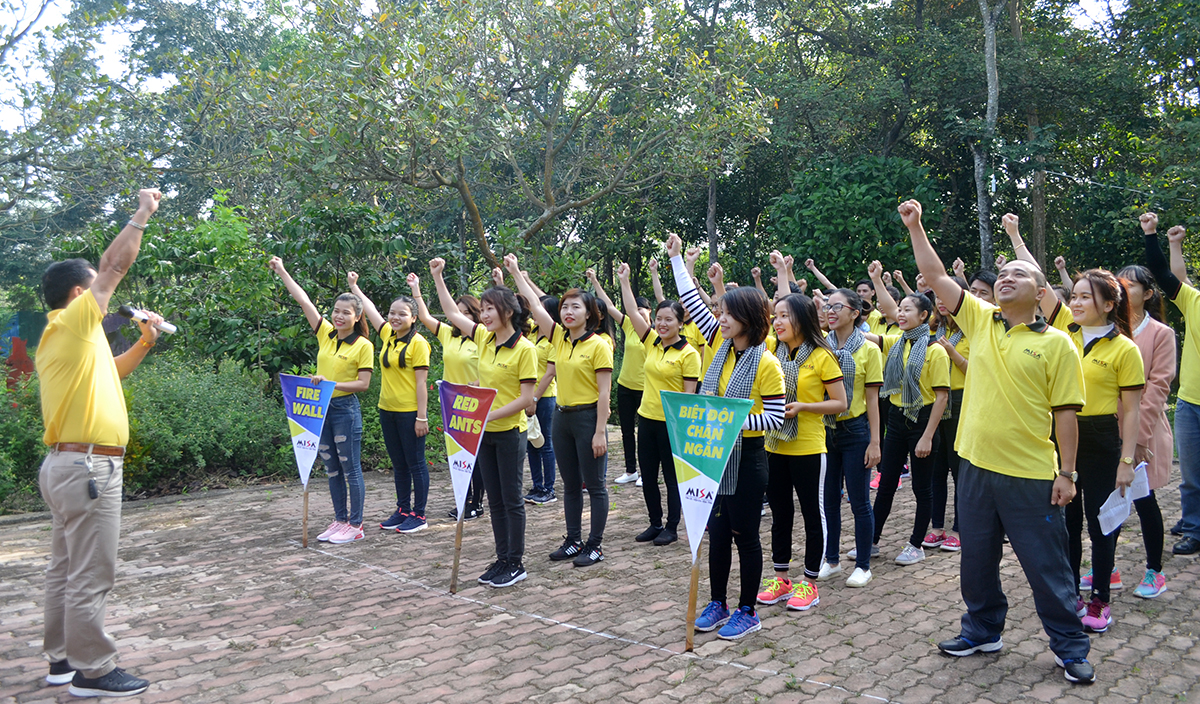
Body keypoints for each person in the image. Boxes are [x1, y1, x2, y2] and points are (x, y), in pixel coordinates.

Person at [902, 199, 1094, 684]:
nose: (1006, 277)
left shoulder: (1058, 344)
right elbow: (934, 274)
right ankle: (983, 630)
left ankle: (1070, 647)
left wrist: (1067, 474)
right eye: (1002, 273)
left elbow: (1066, 415)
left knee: (1047, 567)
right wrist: (916, 226)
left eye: (1018, 274)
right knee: (976, 561)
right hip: (975, 468)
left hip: (1030, 475)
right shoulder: (981, 319)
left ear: (1040, 293)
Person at [35, 188, 163, 697]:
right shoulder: (73, 322)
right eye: (94, 290)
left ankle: (62, 660)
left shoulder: (70, 338)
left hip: (68, 467)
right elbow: (113, 266)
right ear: (77, 295)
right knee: (91, 572)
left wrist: (146, 340)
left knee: (65, 569)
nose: (104, 297)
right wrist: (142, 213)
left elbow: (114, 371)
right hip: (88, 469)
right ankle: (93, 671)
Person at [667, 235, 785, 641]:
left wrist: (727, 422)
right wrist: (677, 259)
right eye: (721, 312)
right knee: (716, 535)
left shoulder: (766, 363)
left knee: (745, 537)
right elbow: (691, 299)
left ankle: (748, 610)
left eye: (729, 313)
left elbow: (774, 418)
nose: (720, 317)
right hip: (711, 456)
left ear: (749, 318)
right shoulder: (720, 345)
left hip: (747, 460)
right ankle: (718, 603)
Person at [431, 257, 537, 588]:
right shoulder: (483, 339)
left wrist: (488, 414)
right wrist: (437, 277)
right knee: (494, 499)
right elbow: (451, 313)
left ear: (507, 311)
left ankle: (516, 562)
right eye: (483, 309)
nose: (485, 315)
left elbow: (526, 399)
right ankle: (502, 557)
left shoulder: (525, 349)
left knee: (511, 499)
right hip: (484, 433)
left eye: (490, 308)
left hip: (510, 433)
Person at [756, 251, 848, 612]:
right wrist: (781, 271)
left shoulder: (822, 355)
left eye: (784, 316)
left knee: (812, 514)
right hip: (774, 444)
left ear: (802, 320)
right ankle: (781, 578)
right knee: (780, 513)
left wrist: (804, 407)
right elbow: (782, 300)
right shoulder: (772, 351)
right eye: (775, 316)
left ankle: (810, 582)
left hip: (809, 446)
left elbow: (839, 403)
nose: (777, 322)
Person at [510, 256, 614, 567]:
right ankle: (573, 540)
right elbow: (534, 304)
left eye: (575, 307)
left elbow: (605, 393)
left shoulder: (599, 345)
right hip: (562, 417)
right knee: (570, 485)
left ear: (589, 313)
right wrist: (516, 272)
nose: (568, 312)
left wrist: (600, 432)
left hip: (588, 419)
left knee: (595, 486)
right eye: (565, 307)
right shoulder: (559, 338)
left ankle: (595, 545)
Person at [1059, 266, 1143, 632]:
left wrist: (1127, 460)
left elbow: (1132, 410)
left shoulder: (1125, 349)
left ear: (1109, 305)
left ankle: (1100, 599)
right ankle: (1069, 594)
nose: (1076, 303)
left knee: (1101, 524)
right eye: (1073, 296)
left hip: (1101, 439)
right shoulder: (1064, 338)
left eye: (1085, 297)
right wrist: (1015, 239)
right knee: (1066, 521)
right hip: (1063, 436)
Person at [270, 257, 374, 546]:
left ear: (357, 317)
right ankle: (340, 520)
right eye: (336, 311)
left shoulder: (363, 345)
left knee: (350, 468)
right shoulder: (326, 334)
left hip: (344, 410)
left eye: (346, 313)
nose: (339, 316)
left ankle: (356, 524)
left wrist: (330, 385)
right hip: (321, 410)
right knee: (332, 468)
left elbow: (363, 384)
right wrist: (282, 271)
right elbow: (304, 301)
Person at [866, 260, 950, 566]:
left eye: (907, 310)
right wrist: (876, 280)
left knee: (921, 487)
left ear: (924, 316)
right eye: (899, 310)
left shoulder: (935, 350)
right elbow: (868, 334)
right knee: (886, 482)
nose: (900, 314)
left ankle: (916, 544)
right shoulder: (897, 343)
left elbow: (942, 397)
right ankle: (871, 540)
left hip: (923, 420)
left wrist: (927, 436)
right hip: (897, 419)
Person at [615, 263, 701, 546]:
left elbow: (689, 396)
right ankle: (655, 523)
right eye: (659, 319)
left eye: (669, 320)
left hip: (671, 425)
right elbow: (631, 312)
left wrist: (683, 429)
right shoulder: (651, 341)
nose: (662, 324)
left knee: (672, 478)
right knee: (649, 477)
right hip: (647, 419)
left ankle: (672, 526)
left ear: (680, 323)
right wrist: (624, 281)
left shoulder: (689, 354)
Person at [348, 272, 431, 533]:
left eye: (402, 314)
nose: (395, 317)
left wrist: (421, 417)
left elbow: (421, 384)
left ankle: (419, 515)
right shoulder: (388, 335)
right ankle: (403, 509)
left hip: (409, 413)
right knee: (399, 463)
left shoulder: (419, 344)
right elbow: (370, 309)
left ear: (413, 318)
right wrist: (354, 287)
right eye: (392, 313)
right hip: (387, 410)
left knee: (416, 463)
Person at [1115, 264, 1175, 598]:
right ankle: (1106, 568)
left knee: (1143, 499)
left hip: (1144, 432)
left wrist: (1136, 440)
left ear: (1148, 293)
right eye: (1119, 284)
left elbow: (1158, 388)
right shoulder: (1110, 328)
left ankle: (1155, 570)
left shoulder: (1161, 334)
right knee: (1108, 501)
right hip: (1108, 430)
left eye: (1131, 286)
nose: (1123, 290)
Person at [1141, 214, 1200, 556]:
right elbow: (1166, 275)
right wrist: (1152, 235)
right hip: (1191, 402)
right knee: (1191, 475)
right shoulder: (1195, 302)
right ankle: (1193, 527)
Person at [820, 288, 883, 587]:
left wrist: (875, 442)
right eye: (827, 306)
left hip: (856, 430)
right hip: (826, 429)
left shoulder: (869, 350)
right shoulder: (820, 346)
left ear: (855, 313)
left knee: (859, 501)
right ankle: (831, 560)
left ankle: (863, 565)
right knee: (829, 499)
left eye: (837, 307)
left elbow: (872, 400)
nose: (830, 312)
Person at [408, 275, 485, 520]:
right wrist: (416, 289)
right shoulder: (448, 334)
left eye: (466, 313)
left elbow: (493, 369)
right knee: (458, 454)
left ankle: (476, 502)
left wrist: (478, 383)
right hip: (452, 404)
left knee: (475, 456)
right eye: (457, 312)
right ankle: (463, 498)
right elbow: (424, 317)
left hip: (476, 404)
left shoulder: (483, 337)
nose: (460, 317)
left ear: (476, 315)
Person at [588, 268, 651, 487]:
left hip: (646, 389)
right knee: (626, 431)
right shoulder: (629, 326)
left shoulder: (654, 334)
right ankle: (631, 470)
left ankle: (646, 472)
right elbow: (609, 306)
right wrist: (595, 281)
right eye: (636, 309)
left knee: (644, 434)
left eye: (643, 309)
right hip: (625, 386)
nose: (639, 312)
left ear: (650, 311)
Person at [926, 276, 971, 553]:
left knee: (959, 469)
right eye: (937, 297)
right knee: (937, 468)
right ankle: (937, 528)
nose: (941, 302)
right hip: (935, 400)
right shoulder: (933, 329)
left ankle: (960, 529)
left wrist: (952, 353)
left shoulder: (973, 330)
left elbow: (978, 372)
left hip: (961, 400)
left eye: (946, 296)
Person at [525, 293, 560, 505]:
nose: (535, 313)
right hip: (528, 396)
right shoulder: (531, 331)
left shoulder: (555, 340)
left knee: (545, 441)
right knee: (532, 441)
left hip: (544, 397)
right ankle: (537, 485)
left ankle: (549, 488)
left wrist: (535, 398)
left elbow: (550, 373)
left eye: (542, 310)